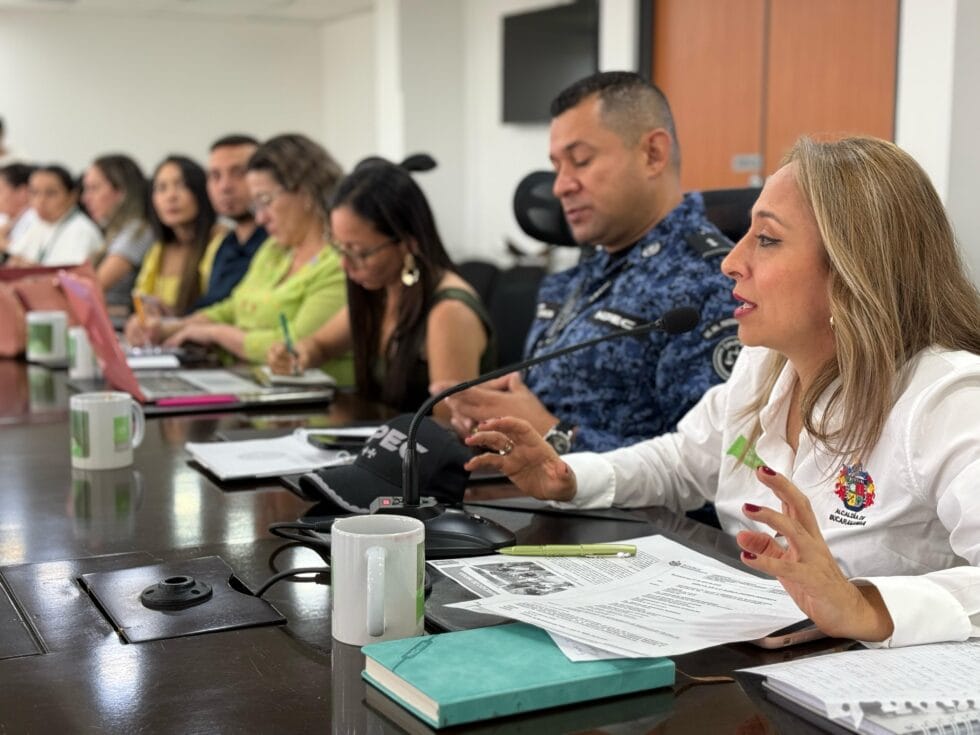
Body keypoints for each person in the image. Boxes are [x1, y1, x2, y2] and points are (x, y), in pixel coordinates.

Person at [466, 136, 980, 648]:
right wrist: (567, 477)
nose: (731, 261)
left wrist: (864, 605)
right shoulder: (764, 365)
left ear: (853, 269)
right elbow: (684, 461)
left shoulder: (947, 399)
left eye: (767, 239)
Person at [439, 71, 738, 454]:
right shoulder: (580, 276)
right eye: (557, 167)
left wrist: (553, 434)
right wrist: (496, 414)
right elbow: (548, 402)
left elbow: (707, 465)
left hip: (606, 496)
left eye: (580, 161)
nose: (560, 186)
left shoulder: (710, 285)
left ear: (653, 155)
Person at [267, 157, 493, 416]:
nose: (345, 264)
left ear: (408, 243)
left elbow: (450, 422)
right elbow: (320, 345)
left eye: (360, 253)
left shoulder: (449, 311)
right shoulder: (381, 291)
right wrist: (298, 354)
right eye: (339, 248)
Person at [128, 134, 352, 383]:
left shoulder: (340, 261)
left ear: (305, 192)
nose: (260, 218)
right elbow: (233, 307)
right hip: (254, 384)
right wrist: (171, 327)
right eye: (256, 206)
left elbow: (295, 346)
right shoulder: (274, 250)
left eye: (265, 201)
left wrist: (217, 334)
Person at [126, 155, 217, 318]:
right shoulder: (158, 249)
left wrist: (172, 317)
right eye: (161, 188)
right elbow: (141, 299)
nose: (171, 197)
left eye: (181, 185)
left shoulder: (219, 242)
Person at [192, 134, 271, 309]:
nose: (225, 186)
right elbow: (214, 306)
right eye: (215, 176)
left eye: (239, 173)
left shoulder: (278, 242)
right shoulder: (224, 244)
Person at [81, 154, 154, 313]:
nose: (85, 198)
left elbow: (93, 287)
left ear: (121, 191)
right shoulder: (116, 230)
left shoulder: (137, 231)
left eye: (94, 188)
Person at [6, 165, 103, 267]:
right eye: (34, 192)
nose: (40, 201)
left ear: (72, 196)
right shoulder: (38, 222)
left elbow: (71, 274)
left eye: (50, 193)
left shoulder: (82, 231)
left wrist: (30, 268)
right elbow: (15, 257)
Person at [0, 162, 37, 255]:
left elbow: (31, 257)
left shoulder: (36, 219)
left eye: (0, 191)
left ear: (22, 192)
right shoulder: (6, 218)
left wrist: (3, 243)